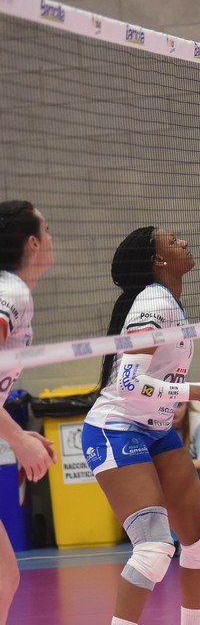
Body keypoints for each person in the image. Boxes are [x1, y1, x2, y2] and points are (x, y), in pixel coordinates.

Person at [82, 226, 200, 625]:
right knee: (153, 548)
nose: (184, 242)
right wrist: (198, 392)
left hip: (156, 429)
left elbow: (159, 376)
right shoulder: (153, 302)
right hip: (116, 428)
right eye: (173, 241)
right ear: (159, 260)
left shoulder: (168, 300)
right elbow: (128, 383)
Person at [0, 201, 58, 623]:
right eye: (47, 229)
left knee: (4, 577)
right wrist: (17, 438)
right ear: (33, 243)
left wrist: (16, 434)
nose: (52, 238)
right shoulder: (11, 293)